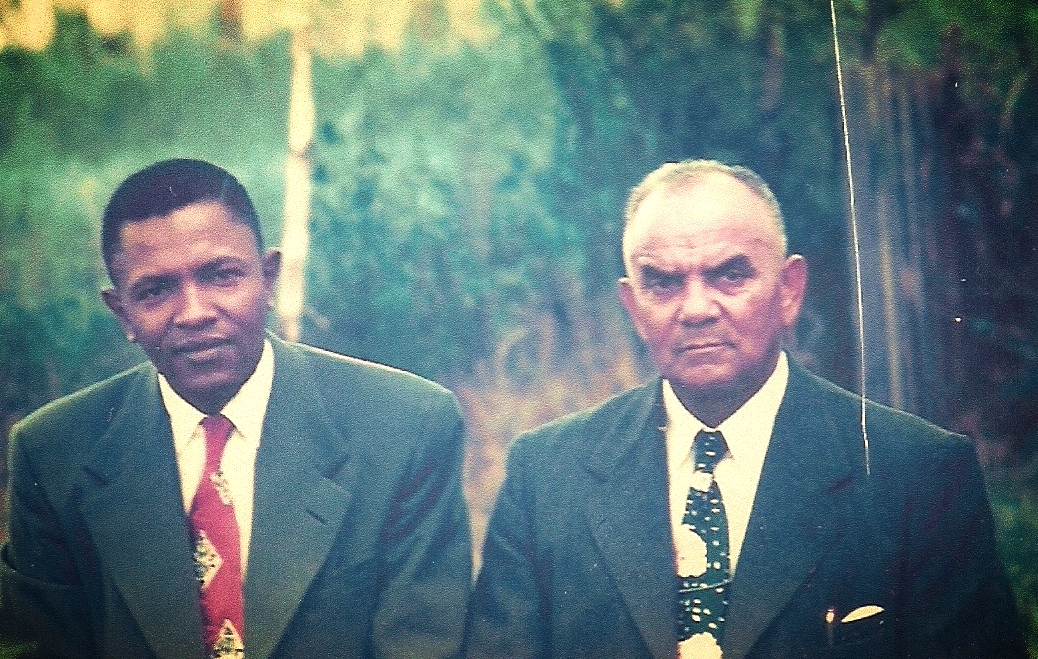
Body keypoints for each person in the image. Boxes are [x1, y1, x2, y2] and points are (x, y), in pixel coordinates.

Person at [465, 159, 1027, 659]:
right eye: (662, 283)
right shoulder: (547, 476)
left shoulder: (916, 474)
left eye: (729, 275)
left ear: (789, 291)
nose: (696, 308)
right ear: (632, 307)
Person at [0, 159, 471, 659]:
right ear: (122, 313)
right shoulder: (53, 454)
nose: (195, 312)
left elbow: (422, 645)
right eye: (157, 290)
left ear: (268, 279)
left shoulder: (406, 427)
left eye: (221, 276)